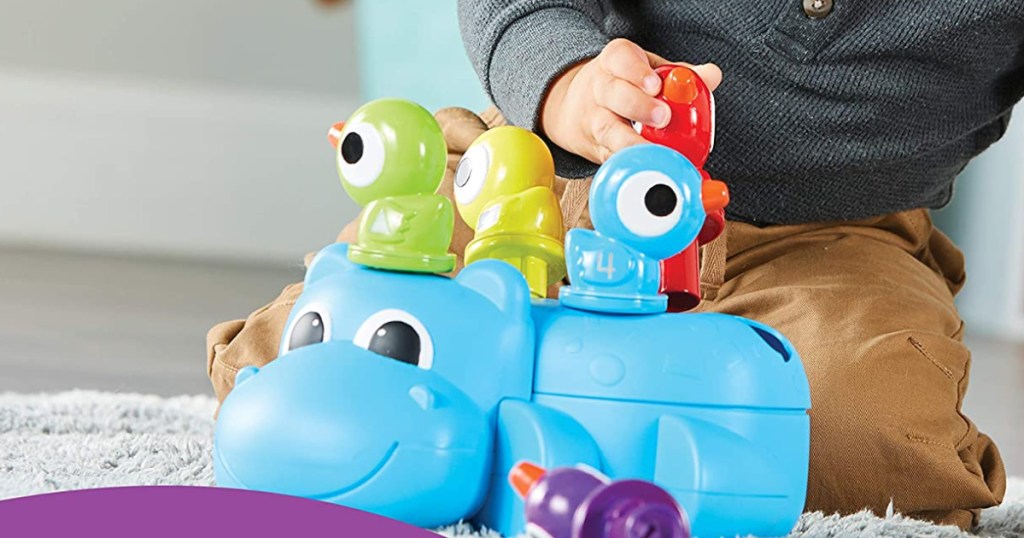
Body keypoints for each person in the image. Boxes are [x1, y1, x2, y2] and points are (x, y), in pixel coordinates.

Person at [208, 1, 1021, 529]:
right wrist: (565, 86)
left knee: (867, 444)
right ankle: (466, 184)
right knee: (318, 361)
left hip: (835, 244)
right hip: (560, 185)